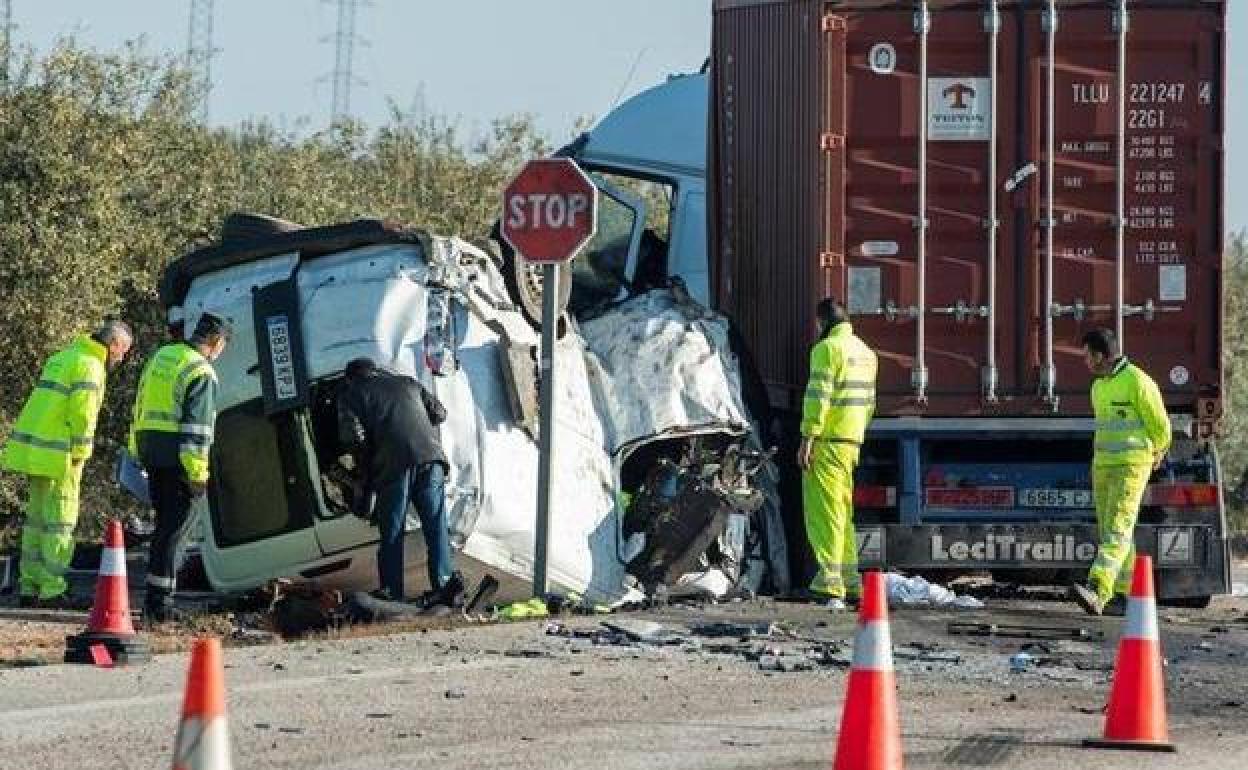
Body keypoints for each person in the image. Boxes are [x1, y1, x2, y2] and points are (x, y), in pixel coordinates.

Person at [1, 321, 133, 608]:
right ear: (113, 345)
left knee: (36, 521)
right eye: (122, 351)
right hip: (62, 455)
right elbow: (83, 415)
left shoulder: (63, 357)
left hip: (38, 452)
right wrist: (81, 453)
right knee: (60, 521)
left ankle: (29, 585)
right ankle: (52, 589)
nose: (121, 359)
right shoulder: (91, 366)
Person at [337, 357, 464, 612]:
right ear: (375, 371)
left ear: (351, 378)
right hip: (432, 459)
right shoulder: (407, 382)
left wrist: (365, 464)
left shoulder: (352, 395)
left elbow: (353, 438)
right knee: (436, 526)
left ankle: (393, 594)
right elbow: (439, 413)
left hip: (393, 466)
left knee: (393, 532)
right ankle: (445, 585)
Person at [128, 313, 230, 623]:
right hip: (179, 460)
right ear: (216, 342)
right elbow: (197, 431)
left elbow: (140, 403)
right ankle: (161, 604)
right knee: (177, 530)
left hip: (152, 452)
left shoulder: (163, 355)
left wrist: (136, 451)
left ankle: (154, 599)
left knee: (164, 528)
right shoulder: (201, 371)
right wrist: (198, 476)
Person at [1069, 328, 1171, 616]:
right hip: (1103, 467)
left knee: (1118, 529)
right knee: (1112, 532)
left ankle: (1098, 588)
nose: (1085, 362)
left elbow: (1161, 426)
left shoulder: (1137, 381)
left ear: (1101, 356)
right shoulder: (1098, 386)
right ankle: (1124, 595)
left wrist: (1158, 451)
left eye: (1088, 356)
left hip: (1131, 466)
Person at [797, 298, 877, 611]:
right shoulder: (866, 353)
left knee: (824, 512)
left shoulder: (827, 350)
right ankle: (851, 580)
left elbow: (819, 396)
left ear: (822, 322)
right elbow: (869, 404)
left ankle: (829, 583)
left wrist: (808, 437)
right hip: (851, 442)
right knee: (843, 513)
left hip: (827, 441)